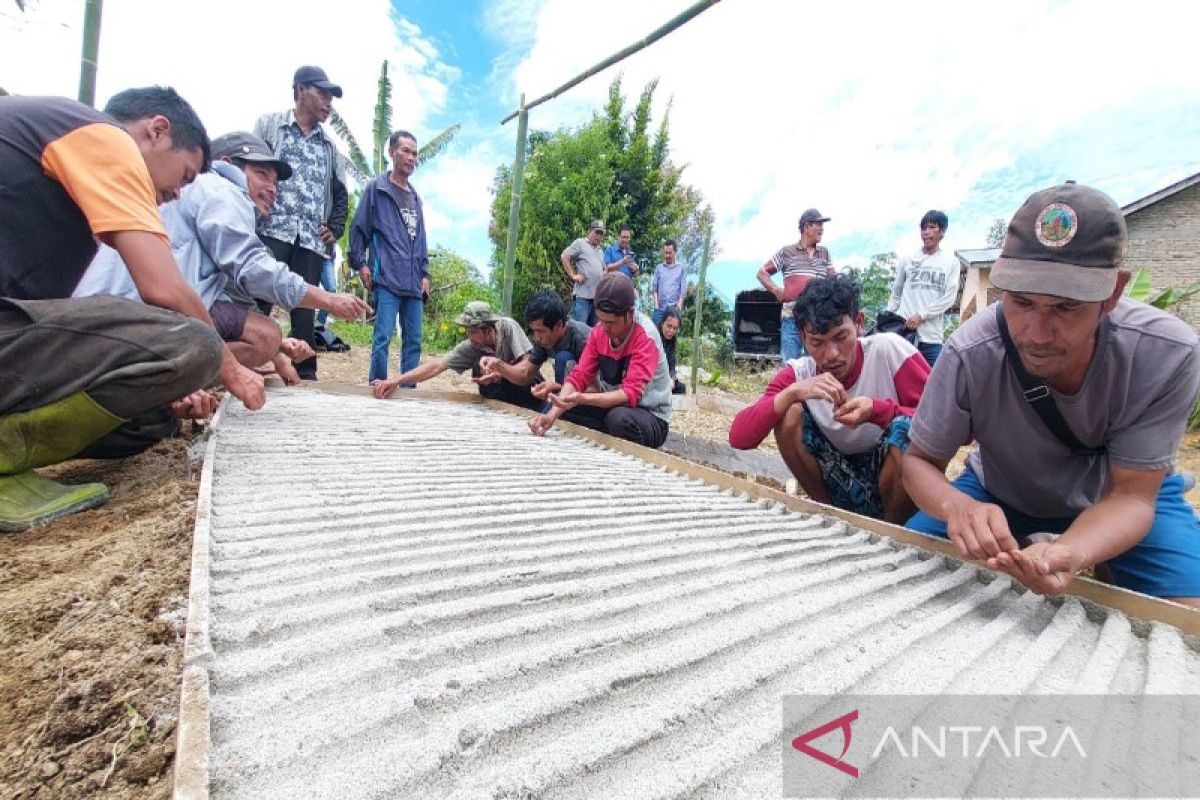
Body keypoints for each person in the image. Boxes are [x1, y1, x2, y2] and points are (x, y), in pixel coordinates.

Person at [903, 182, 1200, 606]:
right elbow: (919, 463)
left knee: (1190, 619)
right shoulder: (970, 351)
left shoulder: (1166, 353)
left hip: (1119, 500)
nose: (1037, 333)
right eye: (1021, 301)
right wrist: (957, 508)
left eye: (1065, 307)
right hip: (1000, 494)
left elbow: (1132, 496)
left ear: (1113, 293)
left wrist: (1073, 551)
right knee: (905, 579)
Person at [0, 88, 266, 530]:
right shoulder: (105, 138)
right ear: (156, 131)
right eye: (183, 176)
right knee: (195, 343)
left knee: (152, 420)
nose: (176, 195)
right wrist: (232, 370)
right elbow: (163, 289)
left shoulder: (63, 164)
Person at [76, 131, 371, 386]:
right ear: (227, 165)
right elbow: (253, 269)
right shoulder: (221, 189)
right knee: (264, 335)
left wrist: (279, 356)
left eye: (276, 183)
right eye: (262, 175)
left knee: (266, 336)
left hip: (112, 311)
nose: (272, 189)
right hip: (128, 314)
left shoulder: (197, 195)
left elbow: (234, 300)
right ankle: (160, 389)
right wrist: (328, 300)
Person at [729, 274, 929, 522]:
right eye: (817, 342)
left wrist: (877, 411)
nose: (831, 354)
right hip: (840, 480)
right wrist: (793, 391)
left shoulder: (890, 352)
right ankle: (830, 516)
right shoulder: (800, 373)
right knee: (787, 412)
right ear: (803, 337)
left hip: (895, 483)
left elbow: (946, 425)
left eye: (841, 337)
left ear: (858, 323)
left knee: (906, 430)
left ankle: (891, 529)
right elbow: (738, 437)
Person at [254, 65, 349, 380]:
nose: (328, 103)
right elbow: (250, 170)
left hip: (309, 239)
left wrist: (334, 230)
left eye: (331, 97)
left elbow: (340, 193)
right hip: (272, 230)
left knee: (305, 307)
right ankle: (247, 365)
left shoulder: (329, 147)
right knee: (259, 300)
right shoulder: (270, 127)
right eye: (322, 94)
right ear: (299, 90)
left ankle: (304, 374)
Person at [529, 273, 673, 449]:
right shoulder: (599, 332)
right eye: (601, 320)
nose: (604, 327)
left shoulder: (645, 336)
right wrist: (551, 416)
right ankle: (608, 438)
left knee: (619, 419)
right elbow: (578, 377)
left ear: (629, 314)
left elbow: (629, 396)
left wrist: (583, 398)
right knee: (566, 409)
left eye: (611, 322)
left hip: (650, 416)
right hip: (613, 407)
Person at [350, 130, 430, 386]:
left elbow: (420, 238)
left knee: (414, 340)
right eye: (405, 151)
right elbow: (359, 228)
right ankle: (377, 385)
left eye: (414, 153)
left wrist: (425, 273)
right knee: (382, 336)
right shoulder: (377, 189)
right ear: (392, 153)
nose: (411, 157)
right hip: (386, 276)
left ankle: (408, 389)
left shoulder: (415, 197)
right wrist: (360, 264)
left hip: (413, 279)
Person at [372, 301, 541, 410]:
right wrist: (396, 381)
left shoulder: (508, 327)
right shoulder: (472, 346)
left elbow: (527, 368)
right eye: (467, 332)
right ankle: (501, 409)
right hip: (505, 398)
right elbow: (436, 366)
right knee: (478, 365)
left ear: (488, 329)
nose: (469, 337)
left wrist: (499, 370)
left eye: (473, 332)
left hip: (530, 389)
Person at [757, 208, 835, 361]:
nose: (822, 229)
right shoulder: (787, 252)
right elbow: (761, 273)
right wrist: (775, 290)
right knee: (791, 366)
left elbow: (834, 281)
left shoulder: (824, 253)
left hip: (817, 319)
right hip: (791, 318)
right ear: (807, 227)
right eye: (818, 224)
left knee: (816, 364)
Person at [479, 290, 590, 397]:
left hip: (596, 404)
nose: (536, 338)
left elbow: (600, 389)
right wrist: (498, 366)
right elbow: (526, 375)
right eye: (534, 331)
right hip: (569, 397)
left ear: (559, 324)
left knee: (563, 358)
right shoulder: (542, 341)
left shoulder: (582, 339)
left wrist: (558, 388)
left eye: (540, 331)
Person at [885, 210, 959, 367]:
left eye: (932, 227)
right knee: (900, 382)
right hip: (904, 335)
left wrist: (921, 315)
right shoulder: (908, 259)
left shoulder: (951, 262)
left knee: (933, 383)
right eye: (923, 228)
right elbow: (896, 294)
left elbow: (949, 298)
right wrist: (887, 319)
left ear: (943, 231)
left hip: (931, 338)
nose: (926, 233)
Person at [560, 220, 607, 325]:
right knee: (578, 330)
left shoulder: (600, 251)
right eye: (596, 232)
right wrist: (573, 275)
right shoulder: (580, 243)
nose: (598, 236)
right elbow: (564, 256)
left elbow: (603, 270)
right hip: (583, 298)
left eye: (601, 233)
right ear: (589, 231)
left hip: (596, 300)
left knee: (593, 333)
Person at [651, 240, 687, 327]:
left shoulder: (681, 268)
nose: (667, 255)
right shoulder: (659, 268)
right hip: (659, 309)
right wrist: (656, 305)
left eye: (670, 253)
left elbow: (682, 291)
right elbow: (655, 289)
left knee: (670, 337)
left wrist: (678, 306)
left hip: (674, 309)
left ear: (675, 252)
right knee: (655, 336)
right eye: (665, 253)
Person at [657, 308, 687, 395]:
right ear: (662, 323)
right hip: (652, 378)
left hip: (664, 378)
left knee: (681, 388)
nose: (671, 331)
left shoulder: (672, 341)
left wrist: (672, 379)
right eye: (669, 326)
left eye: (675, 328)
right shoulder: (653, 337)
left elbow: (672, 365)